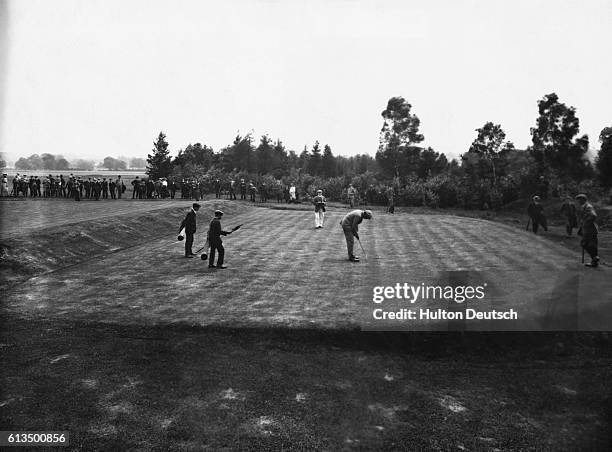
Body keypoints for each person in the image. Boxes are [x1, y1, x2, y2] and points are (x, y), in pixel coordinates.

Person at [576, 194, 600, 268]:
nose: (578, 202)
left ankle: (595, 258)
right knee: (590, 245)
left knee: (585, 244)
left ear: (583, 200)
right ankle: (595, 260)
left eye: (579, 200)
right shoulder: (584, 207)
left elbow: (593, 216)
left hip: (590, 230)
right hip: (588, 230)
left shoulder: (588, 207)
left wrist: (586, 224)